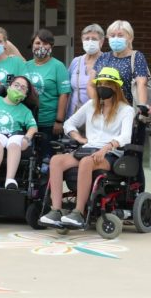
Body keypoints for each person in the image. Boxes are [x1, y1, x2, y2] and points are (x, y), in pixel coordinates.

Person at [40, 67, 134, 227]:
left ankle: (78, 212)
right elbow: (69, 123)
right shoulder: (91, 105)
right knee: (56, 160)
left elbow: (125, 136)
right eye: (101, 84)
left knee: (86, 162)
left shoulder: (126, 110)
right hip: (88, 149)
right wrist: (78, 138)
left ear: (116, 87)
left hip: (111, 154)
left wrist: (105, 148)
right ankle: (56, 210)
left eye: (108, 84)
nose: (103, 87)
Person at [0, 75, 38, 190]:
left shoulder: (25, 110)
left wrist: (27, 138)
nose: (19, 88)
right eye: (16, 85)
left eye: (23, 87)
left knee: (14, 142)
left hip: (15, 135)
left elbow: (33, 127)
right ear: (9, 86)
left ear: (26, 94)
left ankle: (10, 180)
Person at [24, 29, 71, 159]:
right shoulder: (25, 65)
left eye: (45, 43)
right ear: (32, 45)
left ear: (52, 46)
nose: (41, 47)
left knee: (47, 159)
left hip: (49, 122)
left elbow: (64, 94)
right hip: (28, 121)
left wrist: (59, 121)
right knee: (28, 159)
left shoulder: (58, 66)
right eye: (38, 43)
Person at [90, 20, 148, 106]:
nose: (115, 38)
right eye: (112, 36)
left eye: (120, 35)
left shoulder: (136, 57)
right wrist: (97, 104)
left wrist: (142, 105)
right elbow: (91, 84)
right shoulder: (103, 57)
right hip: (104, 110)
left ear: (130, 38)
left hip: (127, 110)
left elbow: (141, 83)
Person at [68, 24, 105, 117]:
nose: (90, 41)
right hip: (74, 114)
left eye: (94, 39)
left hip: (98, 115)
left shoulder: (107, 61)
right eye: (87, 38)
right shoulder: (76, 61)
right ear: (82, 40)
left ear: (102, 41)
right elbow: (67, 89)